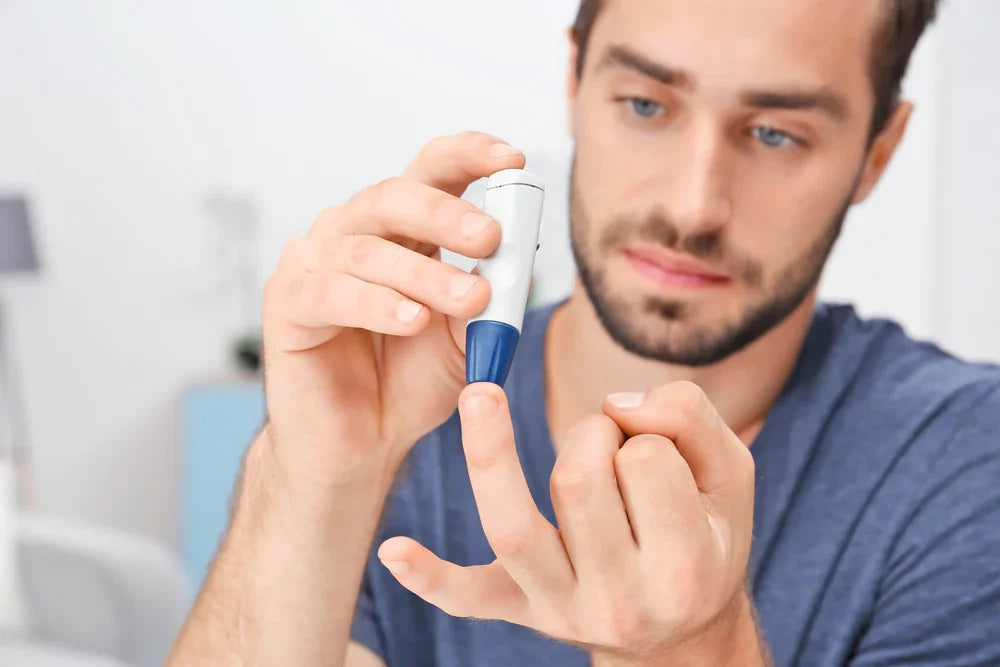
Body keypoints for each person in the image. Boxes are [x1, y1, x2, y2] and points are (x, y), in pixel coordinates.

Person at [168, 0, 1000, 665]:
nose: (690, 205)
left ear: (878, 151)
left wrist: (688, 652)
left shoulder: (967, 465)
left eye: (776, 133)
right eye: (645, 104)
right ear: (574, 78)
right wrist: (314, 479)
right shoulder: (409, 417)